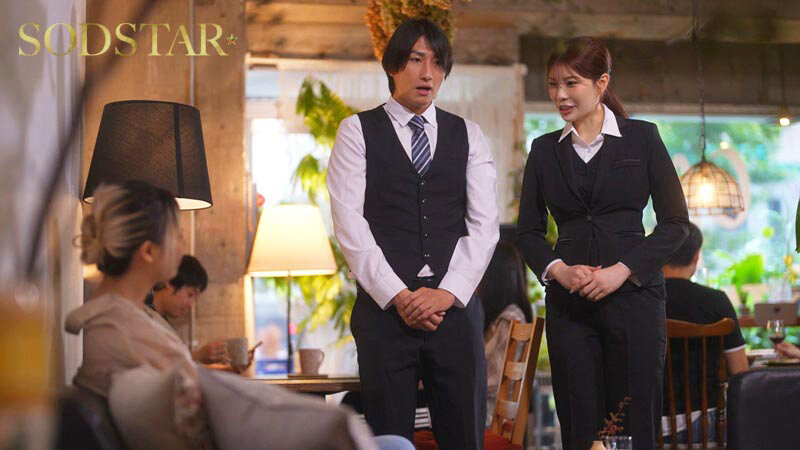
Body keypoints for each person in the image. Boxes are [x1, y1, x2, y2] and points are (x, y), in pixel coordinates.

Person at [65, 180, 414, 450]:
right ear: (147, 251)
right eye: (177, 236)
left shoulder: (123, 319)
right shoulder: (119, 329)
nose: (183, 247)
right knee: (395, 445)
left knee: (393, 443)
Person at [327, 18, 500, 449]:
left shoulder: (469, 135)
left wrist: (447, 293)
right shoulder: (356, 131)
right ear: (393, 66)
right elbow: (350, 225)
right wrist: (400, 296)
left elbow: (484, 226)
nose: (428, 74)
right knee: (389, 440)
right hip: (386, 316)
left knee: (464, 439)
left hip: (454, 315)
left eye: (437, 64)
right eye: (416, 60)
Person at [516, 37, 689, 450]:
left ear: (601, 83)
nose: (560, 95)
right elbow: (528, 232)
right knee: (580, 425)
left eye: (570, 83)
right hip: (570, 309)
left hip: (636, 303)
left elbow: (675, 224)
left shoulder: (642, 138)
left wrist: (621, 272)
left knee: (635, 422)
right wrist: (559, 271)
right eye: (552, 84)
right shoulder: (543, 151)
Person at [660, 221, 748, 443]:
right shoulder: (716, 301)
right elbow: (740, 373)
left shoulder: (638, 302)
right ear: (696, 257)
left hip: (646, 426)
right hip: (704, 427)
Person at [477, 240, 533, 426]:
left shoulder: (510, 319)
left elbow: (491, 381)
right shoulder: (505, 317)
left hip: (486, 419)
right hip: (481, 415)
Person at [145, 255, 237, 367]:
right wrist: (198, 355)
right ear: (169, 282)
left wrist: (232, 370)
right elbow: (153, 365)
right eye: (190, 294)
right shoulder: (142, 317)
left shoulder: (162, 322)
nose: (191, 304)